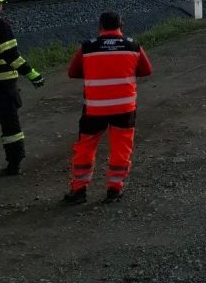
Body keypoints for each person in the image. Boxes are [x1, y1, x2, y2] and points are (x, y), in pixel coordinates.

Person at [63, 11, 151, 204]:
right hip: (124, 107)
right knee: (121, 147)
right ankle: (114, 188)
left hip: (95, 109)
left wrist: (94, 73)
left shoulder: (88, 46)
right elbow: (146, 70)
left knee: (85, 147)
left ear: (100, 26)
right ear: (121, 25)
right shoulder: (133, 45)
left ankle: (79, 190)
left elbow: (72, 72)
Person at [0, 0, 44, 176]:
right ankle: (14, 163)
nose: (2, 7)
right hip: (3, 85)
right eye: (1, 3)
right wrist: (32, 74)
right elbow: (11, 56)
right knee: (10, 126)